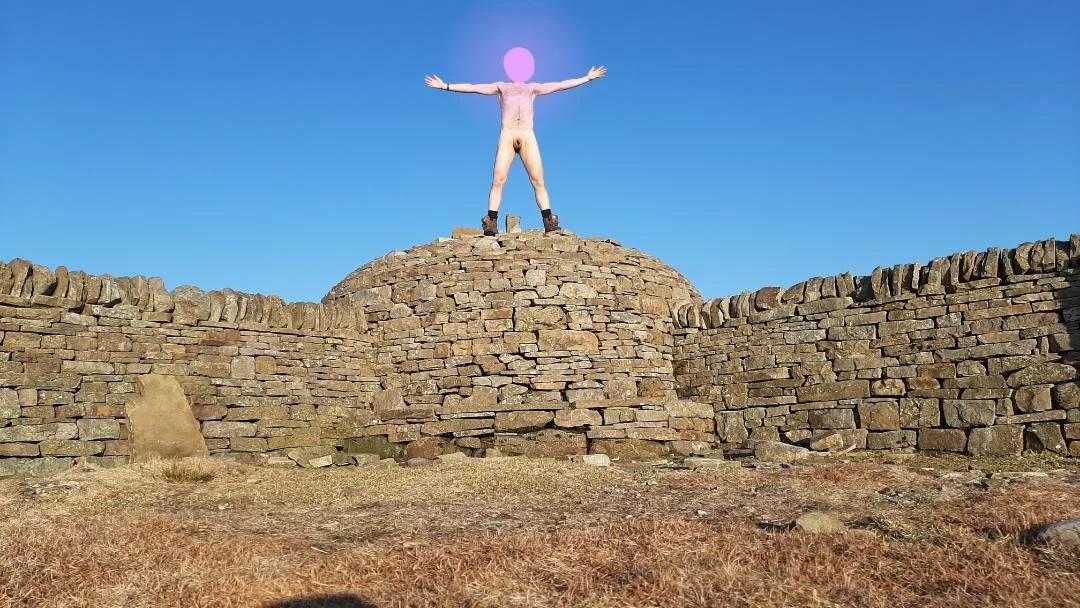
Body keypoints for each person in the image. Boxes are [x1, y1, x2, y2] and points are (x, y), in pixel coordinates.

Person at [425, 52, 605, 235]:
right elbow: (473, 87)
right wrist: (445, 86)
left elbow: (560, 86)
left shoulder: (533, 88)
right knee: (498, 178)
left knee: (538, 179)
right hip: (508, 135)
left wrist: (587, 78)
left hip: (527, 136)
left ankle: (549, 221)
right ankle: (491, 221)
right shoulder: (501, 87)